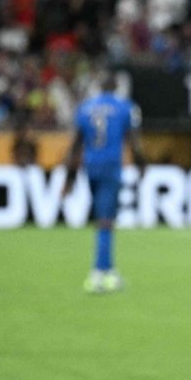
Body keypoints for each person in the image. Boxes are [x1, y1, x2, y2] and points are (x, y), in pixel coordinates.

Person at [62, 73, 145, 294]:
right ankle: (98, 273)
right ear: (116, 86)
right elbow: (134, 141)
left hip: (91, 167)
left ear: (98, 87)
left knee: (103, 219)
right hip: (111, 167)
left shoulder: (85, 108)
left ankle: (108, 270)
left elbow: (75, 145)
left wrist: (69, 179)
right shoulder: (125, 107)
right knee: (106, 221)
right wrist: (142, 165)